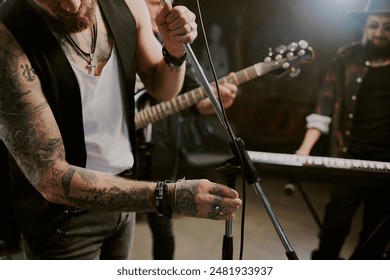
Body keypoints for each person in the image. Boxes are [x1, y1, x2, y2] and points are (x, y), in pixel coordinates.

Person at [0, 0, 242, 260]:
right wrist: (167, 196)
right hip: (62, 222)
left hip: (125, 196)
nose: (71, 5)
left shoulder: (129, 4)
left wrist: (174, 51)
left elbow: (162, 88)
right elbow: (51, 178)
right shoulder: (7, 37)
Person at [136, 0, 238, 260]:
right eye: (154, 1)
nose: (163, 6)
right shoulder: (121, 40)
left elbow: (195, 97)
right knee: (113, 218)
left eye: (166, 0)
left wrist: (213, 103)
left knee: (163, 225)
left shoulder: (174, 44)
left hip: (161, 150)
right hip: (121, 150)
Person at [296, 0, 390, 260]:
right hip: (347, 158)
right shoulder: (347, 57)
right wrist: (303, 151)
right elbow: (323, 108)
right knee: (333, 227)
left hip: (386, 166)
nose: (379, 32)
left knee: (375, 235)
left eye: (387, 27)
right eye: (374, 25)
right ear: (364, 27)